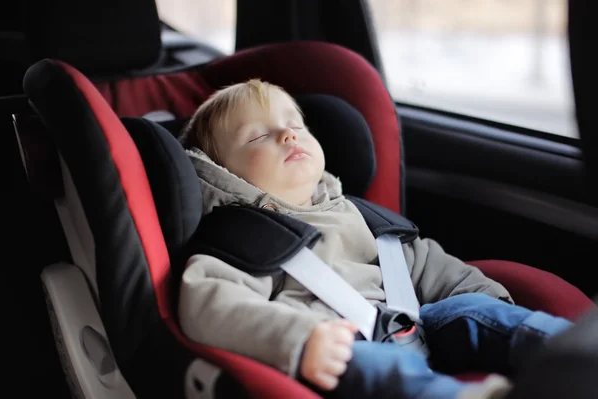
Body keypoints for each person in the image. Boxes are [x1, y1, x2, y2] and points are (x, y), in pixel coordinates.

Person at [176, 79, 573, 399]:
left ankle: (570, 357)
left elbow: (422, 262)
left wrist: (483, 296)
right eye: (257, 137)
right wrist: (300, 339)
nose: (288, 136)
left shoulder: (357, 213)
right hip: (337, 349)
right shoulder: (238, 241)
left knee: (473, 310)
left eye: (295, 126)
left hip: (413, 323)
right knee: (380, 366)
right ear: (219, 173)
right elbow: (209, 303)